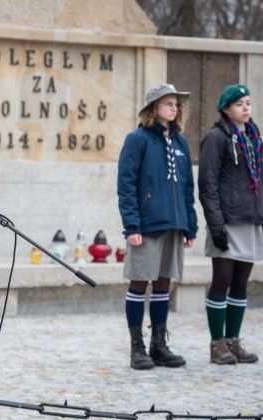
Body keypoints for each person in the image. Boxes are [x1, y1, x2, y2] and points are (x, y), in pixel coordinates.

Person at [117, 84, 198, 370]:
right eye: (168, 103)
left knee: (164, 283)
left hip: (174, 225)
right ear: (154, 108)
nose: (174, 108)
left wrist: (190, 224)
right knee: (139, 283)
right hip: (146, 225)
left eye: (177, 103)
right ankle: (136, 347)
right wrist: (131, 225)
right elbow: (126, 186)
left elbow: (187, 187)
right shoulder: (137, 139)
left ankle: (159, 345)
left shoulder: (180, 143)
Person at [198, 84, 260, 365]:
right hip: (226, 220)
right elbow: (207, 185)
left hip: (249, 218)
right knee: (221, 281)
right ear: (225, 109)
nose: (245, 108)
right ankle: (217, 344)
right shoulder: (216, 137)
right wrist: (216, 225)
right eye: (239, 104)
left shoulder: (254, 137)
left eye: (247, 103)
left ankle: (233, 341)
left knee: (240, 283)